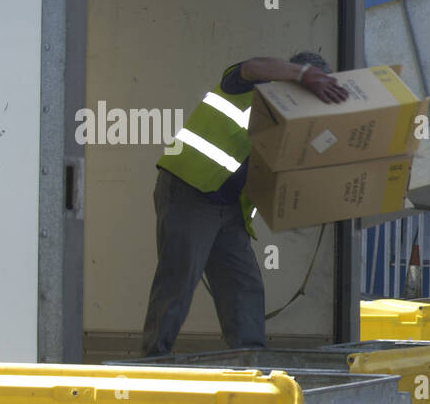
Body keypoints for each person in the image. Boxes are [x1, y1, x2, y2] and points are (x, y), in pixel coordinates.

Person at [140, 53, 347, 357]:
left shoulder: (292, 123)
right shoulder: (251, 86)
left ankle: (250, 360)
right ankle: (153, 357)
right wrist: (304, 74)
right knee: (179, 278)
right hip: (190, 190)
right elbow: (252, 66)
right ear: (293, 79)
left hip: (229, 208)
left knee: (242, 284)